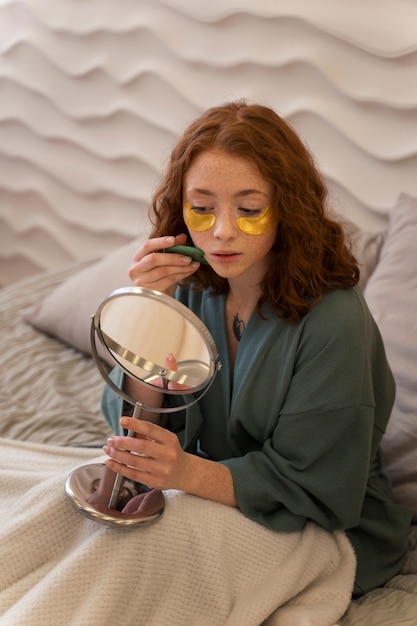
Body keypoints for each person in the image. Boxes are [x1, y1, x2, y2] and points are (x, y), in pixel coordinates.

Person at [98, 100, 411, 598]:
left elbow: (318, 485)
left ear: (288, 206)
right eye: (202, 207)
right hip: (204, 491)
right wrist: (145, 312)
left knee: (135, 574)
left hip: (319, 524)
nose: (222, 230)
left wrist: (185, 471)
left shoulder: (334, 320)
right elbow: (138, 425)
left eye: (248, 210)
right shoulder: (190, 284)